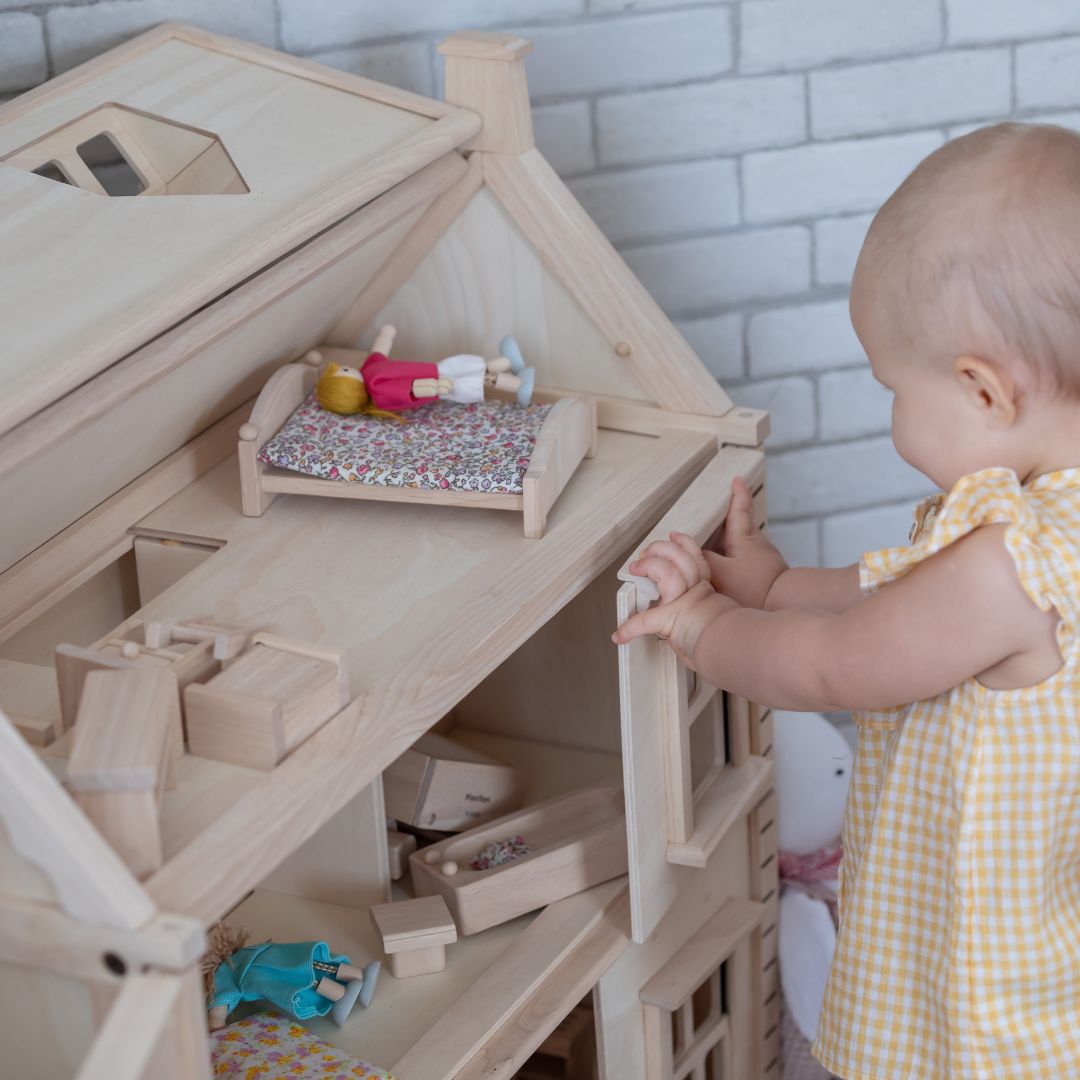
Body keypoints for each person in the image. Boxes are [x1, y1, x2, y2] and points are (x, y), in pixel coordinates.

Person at [613, 122, 1080, 1079]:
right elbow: (902, 598)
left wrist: (708, 624)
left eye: (891, 387)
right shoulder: (1038, 524)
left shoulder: (1010, 565)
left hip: (987, 983)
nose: (891, 418)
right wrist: (781, 586)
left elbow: (841, 666)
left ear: (983, 391)